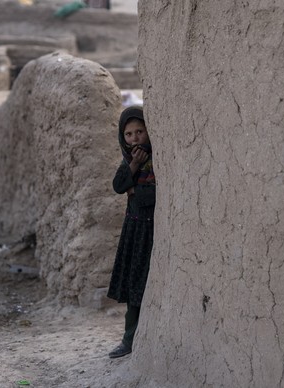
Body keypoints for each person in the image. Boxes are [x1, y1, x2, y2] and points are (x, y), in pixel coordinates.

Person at [107, 105, 155, 358]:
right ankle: (129, 339)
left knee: (145, 285)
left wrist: (136, 191)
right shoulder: (130, 161)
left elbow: (156, 194)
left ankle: (137, 337)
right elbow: (118, 186)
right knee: (134, 287)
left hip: (151, 230)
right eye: (129, 134)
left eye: (140, 131)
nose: (135, 138)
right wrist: (134, 166)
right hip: (134, 230)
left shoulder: (157, 159)